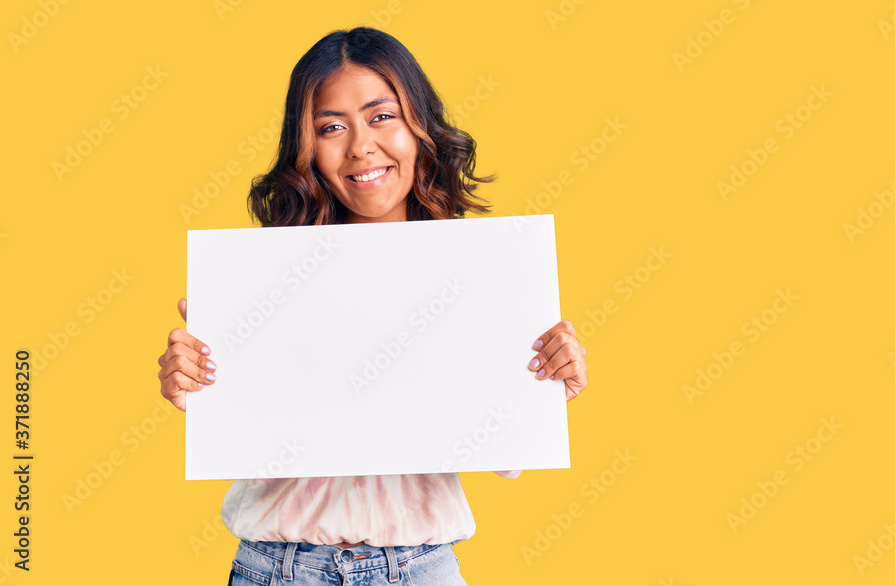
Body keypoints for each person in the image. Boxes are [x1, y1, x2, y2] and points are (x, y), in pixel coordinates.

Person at [156, 27, 588, 585]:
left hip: (419, 569)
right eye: (331, 127)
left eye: (381, 116)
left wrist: (547, 384)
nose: (360, 145)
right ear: (306, 147)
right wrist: (195, 383)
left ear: (419, 127)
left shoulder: (480, 272)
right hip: (280, 571)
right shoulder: (264, 277)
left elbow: (506, 455)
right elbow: (244, 424)